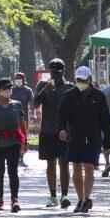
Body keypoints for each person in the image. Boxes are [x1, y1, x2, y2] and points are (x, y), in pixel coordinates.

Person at [56, 66, 110, 214]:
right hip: (74, 137)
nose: (80, 82)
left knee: (89, 167)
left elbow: (106, 120)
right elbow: (60, 115)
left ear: (90, 80)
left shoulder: (99, 96)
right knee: (76, 167)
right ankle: (80, 200)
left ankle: (87, 198)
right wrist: (61, 130)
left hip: (93, 138)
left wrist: (107, 141)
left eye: (83, 79)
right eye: (78, 79)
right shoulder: (69, 95)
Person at [34, 58, 73, 209]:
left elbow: (74, 110)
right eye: (52, 71)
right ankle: (52, 196)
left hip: (63, 132)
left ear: (63, 71)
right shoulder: (43, 85)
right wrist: (44, 92)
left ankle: (64, 195)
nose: (55, 74)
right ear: (49, 71)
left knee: (64, 163)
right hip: (47, 130)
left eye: (58, 71)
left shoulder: (69, 87)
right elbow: (35, 103)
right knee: (50, 164)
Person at [0, 77, 27, 213]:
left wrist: (25, 142)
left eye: (10, 87)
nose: (8, 90)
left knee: (13, 171)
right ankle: (0, 199)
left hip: (14, 142)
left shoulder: (17, 104)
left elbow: (22, 124)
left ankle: (14, 200)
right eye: (5, 88)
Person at [9, 71, 34, 167]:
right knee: (12, 138)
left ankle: (21, 158)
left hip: (24, 119)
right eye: (16, 78)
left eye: (20, 78)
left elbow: (31, 104)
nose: (18, 80)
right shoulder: (11, 90)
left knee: (22, 139)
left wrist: (34, 114)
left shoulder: (28, 91)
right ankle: (12, 158)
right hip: (11, 118)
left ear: (24, 80)